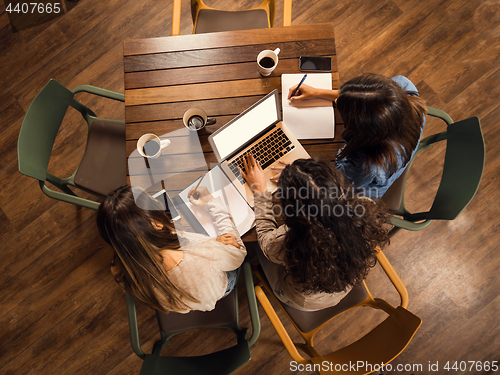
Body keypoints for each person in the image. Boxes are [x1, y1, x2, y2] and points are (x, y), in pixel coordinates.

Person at [242, 155, 390, 311]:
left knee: (259, 250)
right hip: (343, 284)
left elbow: (266, 240)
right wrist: (307, 179)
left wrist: (260, 192)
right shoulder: (365, 208)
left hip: (303, 300)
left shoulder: (291, 245)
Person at [96, 185, 246, 313]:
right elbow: (238, 253)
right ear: (157, 224)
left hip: (182, 298)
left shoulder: (120, 267)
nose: (156, 201)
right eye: (153, 201)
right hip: (219, 284)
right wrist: (213, 204)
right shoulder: (200, 258)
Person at [286, 74, 427, 199]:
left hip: (361, 192)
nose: (337, 101)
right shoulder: (405, 87)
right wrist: (317, 92)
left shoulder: (363, 166)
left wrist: (298, 175)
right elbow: (368, 101)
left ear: (359, 132)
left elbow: (336, 186)